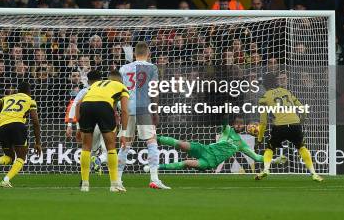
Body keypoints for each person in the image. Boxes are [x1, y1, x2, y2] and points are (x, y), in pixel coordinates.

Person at [117, 42, 170, 189]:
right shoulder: (152, 68)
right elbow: (154, 91)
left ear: (134, 54)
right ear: (148, 53)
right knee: (151, 142)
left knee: (125, 145)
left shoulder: (123, 68)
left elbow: (118, 91)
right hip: (143, 108)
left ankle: (118, 180)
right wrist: (155, 111)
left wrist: (118, 110)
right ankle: (154, 178)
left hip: (127, 109)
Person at [255, 71, 323, 182]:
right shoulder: (286, 91)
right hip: (295, 124)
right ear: (276, 82)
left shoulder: (264, 97)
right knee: (301, 147)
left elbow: (263, 121)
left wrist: (259, 138)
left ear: (265, 84)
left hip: (280, 126)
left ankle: (266, 169)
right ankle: (314, 173)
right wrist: (302, 119)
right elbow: (302, 108)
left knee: (270, 147)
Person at [152, 117, 282, 172]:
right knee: (180, 144)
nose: (238, 125)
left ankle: (157, 167)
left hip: (210, 162)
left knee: (186, 162)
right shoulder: (227, 130)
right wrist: (225, 111)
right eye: (237, 123)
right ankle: (153, 138)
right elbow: (224, 122)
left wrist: (275, 160)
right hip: (204, 149)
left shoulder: (242, 145)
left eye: (240, 124)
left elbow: (257, 158)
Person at [0, 82, 41, 188]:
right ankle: (5, 180)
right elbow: (35, 122)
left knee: (10, 157)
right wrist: (38, 142)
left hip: (2, 127)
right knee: (21, 157)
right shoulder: (30, 101)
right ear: (29, 91)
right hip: (17, 126)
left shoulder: (7, 98)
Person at [76, 69, 129, 192]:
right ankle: (114, 184)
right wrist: (124, 133)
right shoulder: (122, 87)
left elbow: (78, 103)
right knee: (110, 146)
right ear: (121, 80)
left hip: (86, 106)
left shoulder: (96, 85)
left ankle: (85, 184)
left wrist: (79, 126)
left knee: (86, 147)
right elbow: (125, 111)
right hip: (103, 106)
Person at [65, 70, 108, 174]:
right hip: (105, 122)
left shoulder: (84, 91)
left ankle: (85, 177)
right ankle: (100, 161)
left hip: (87, 123)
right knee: (108, 151)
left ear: (88, 81)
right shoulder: (106, 91)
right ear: (101, 80)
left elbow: (74, 106)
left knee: (88, 150)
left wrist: (70, 125)